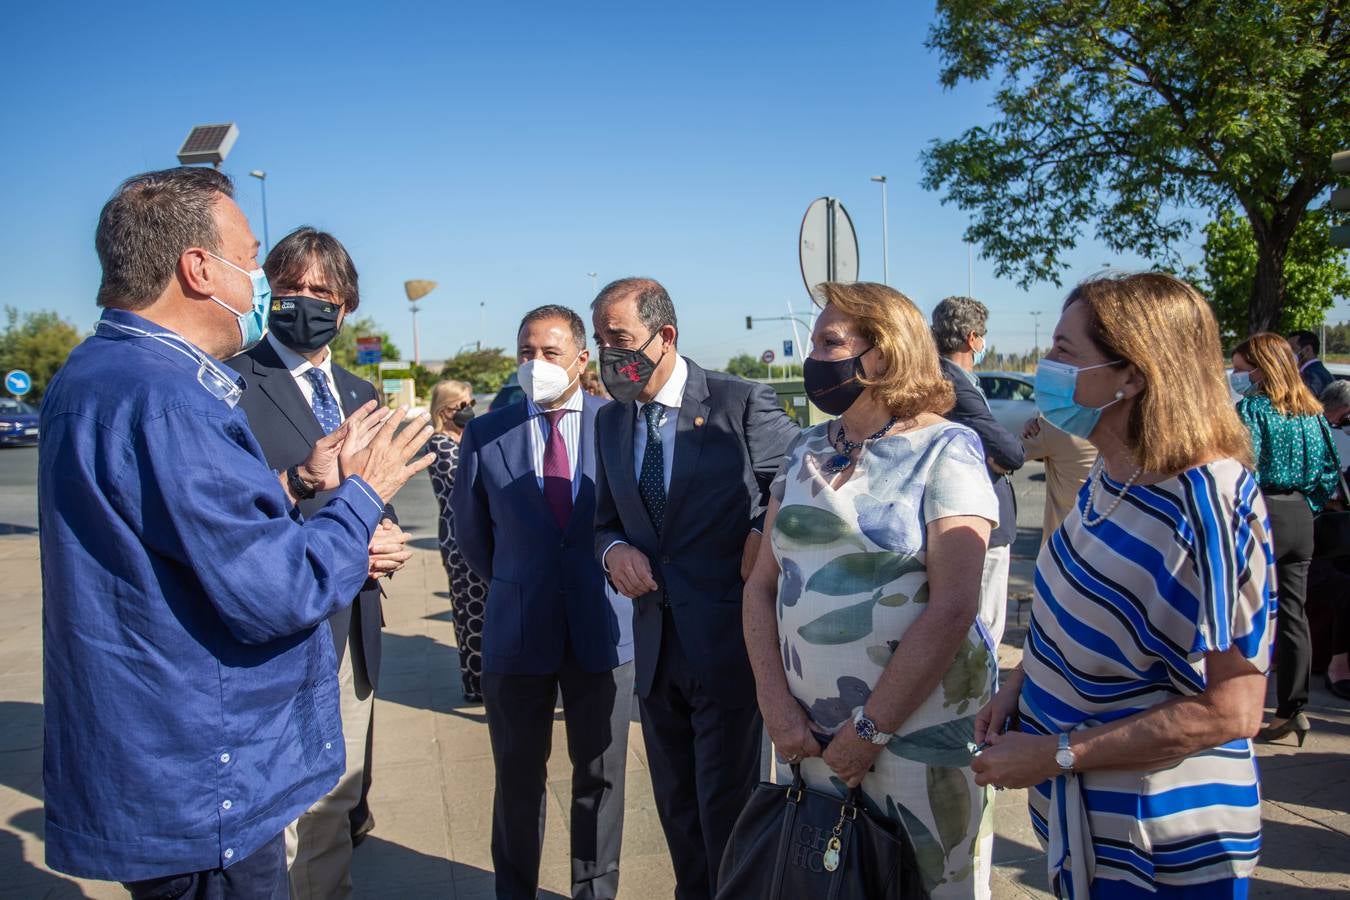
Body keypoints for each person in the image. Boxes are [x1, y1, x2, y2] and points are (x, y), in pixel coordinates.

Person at [39, 167, 433, 898]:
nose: (261, 286)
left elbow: (191, 528)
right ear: (198, 267)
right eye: (253, 263)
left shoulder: (98, 375)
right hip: (203, 771)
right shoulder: (172, 397)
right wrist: (365, 492)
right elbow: (277, 589)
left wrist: (302, 483)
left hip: (166, 757)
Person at [971, 272, 1274, 900]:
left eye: (1063, 350)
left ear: (1131, 375)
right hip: (1087, 829)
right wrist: (1023, 684)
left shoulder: (1207, 499)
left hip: (1163, 844)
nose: (1043, 365)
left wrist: (1057, 755)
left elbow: (1234, 709)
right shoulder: (1112, 475)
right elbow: (1077, 609)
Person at [744, 281, 999, 898]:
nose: (814, 358)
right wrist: (775, 707)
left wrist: (869, 732)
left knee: (930, 883)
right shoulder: (803, 450)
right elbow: (759, 588)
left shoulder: (949, 449)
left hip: (919, 734)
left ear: (884, 352)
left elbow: (955, 605)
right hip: (808, 735)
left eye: (831, 342)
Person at [590, 277, 798, 900]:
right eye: (600, 341)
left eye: (619, 339)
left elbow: (799, 481)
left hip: (732, 644)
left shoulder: (739, 402)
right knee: (678, 808)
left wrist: (763, 532)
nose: (608, 356)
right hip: (655, 651)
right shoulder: (610, 424)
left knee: (729, 809)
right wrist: (613, 550)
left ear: (666, 336)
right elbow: (604, 519)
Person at [223, 226, 409, 899]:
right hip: (276, 635)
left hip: (352, 628)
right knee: (279, 816)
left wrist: (384, 540)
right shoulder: (231, 381)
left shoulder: (361, 390)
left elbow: (372, 495)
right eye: (291, 288)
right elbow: (226, 512)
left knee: (334, 803)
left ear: (347, 306)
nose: (305, 302)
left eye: (321, 291)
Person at [452, 305, 635, 900]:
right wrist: (520, 583)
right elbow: (474, 539)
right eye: (526, 352)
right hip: (516, 633)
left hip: (602, 631)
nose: (536, 365)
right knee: (517, 781)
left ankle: (594, 891)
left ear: (582, 360)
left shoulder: (620, 423)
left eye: (550, 354)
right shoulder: (484, 432)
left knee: (601, 780)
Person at [1231, 332, 1342, 744]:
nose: (1239, 376)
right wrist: (1308, 505)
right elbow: (1329, 471)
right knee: (1295, 615)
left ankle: (1238, 701)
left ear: (1261, 368)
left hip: (1264, 511)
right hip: (1301, 516)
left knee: (1246, 609)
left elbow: (1244, 468)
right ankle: (1293, 708)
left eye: (1244, 368)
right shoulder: (1312, 412)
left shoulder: (1254, 409)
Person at [932, 295, 1023, 647]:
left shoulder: (947, 377)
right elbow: (1011, 454)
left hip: (960, 518)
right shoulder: (952, 384)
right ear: (972, 338)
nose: (983, 343)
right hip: (979, 523)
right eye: (982, 336)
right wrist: (996, 455)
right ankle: (982, 698)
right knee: (983, 627)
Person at [426, 379, 488, 702]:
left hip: (471, 530)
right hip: (459, 535)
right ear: (444, 410)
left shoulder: (462, 437)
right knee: (471, 607)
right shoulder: (440, 444)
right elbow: (469, 479)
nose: (468, 411)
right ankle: (477, 683)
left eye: (470, 403)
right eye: (461, 406)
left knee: (480, 606)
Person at [1020, 414, 1097, 545]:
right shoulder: (1115, 421)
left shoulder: (1058, 424)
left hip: (1064, 541)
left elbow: (1007, 455)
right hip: (1107, 537)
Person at [1288, 329, 1336, 398]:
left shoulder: (1312, 375)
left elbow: (1302, 403)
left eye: (1292, 348)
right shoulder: (1320, 371)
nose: (1287, 353)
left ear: (1308, 349)